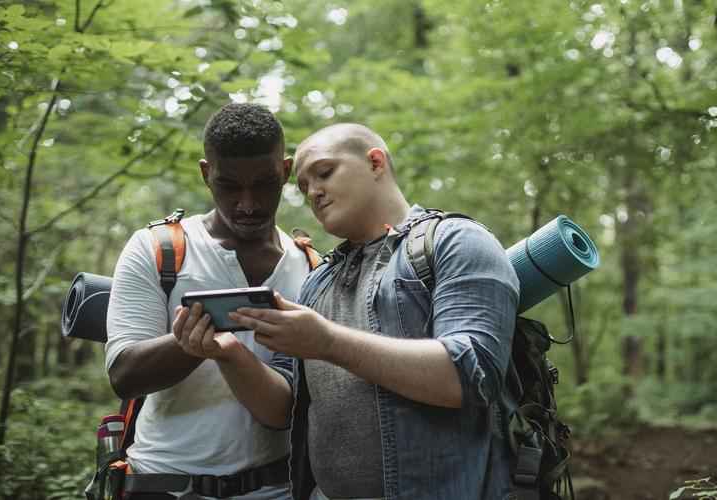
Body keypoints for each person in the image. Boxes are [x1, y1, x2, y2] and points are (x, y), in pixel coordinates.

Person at [181, 123, 521, 500]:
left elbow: (471, 375)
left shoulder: (454, 242)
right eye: (304, 186)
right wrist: (228, 355)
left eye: (324, 173)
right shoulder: (317, 281)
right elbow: (282, 410)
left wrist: (328, 341)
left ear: (375, 163)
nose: (314, 192)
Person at [105, 103, 313, 499]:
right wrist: (192, 346)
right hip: (161, 485)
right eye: (229, 186)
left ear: (285, 172)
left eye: (265, 184)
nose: (247, 204)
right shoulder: (158, 250)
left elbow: (296, 402)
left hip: (274, 489)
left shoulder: (310, 266)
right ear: (206, 174)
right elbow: (124, 375)